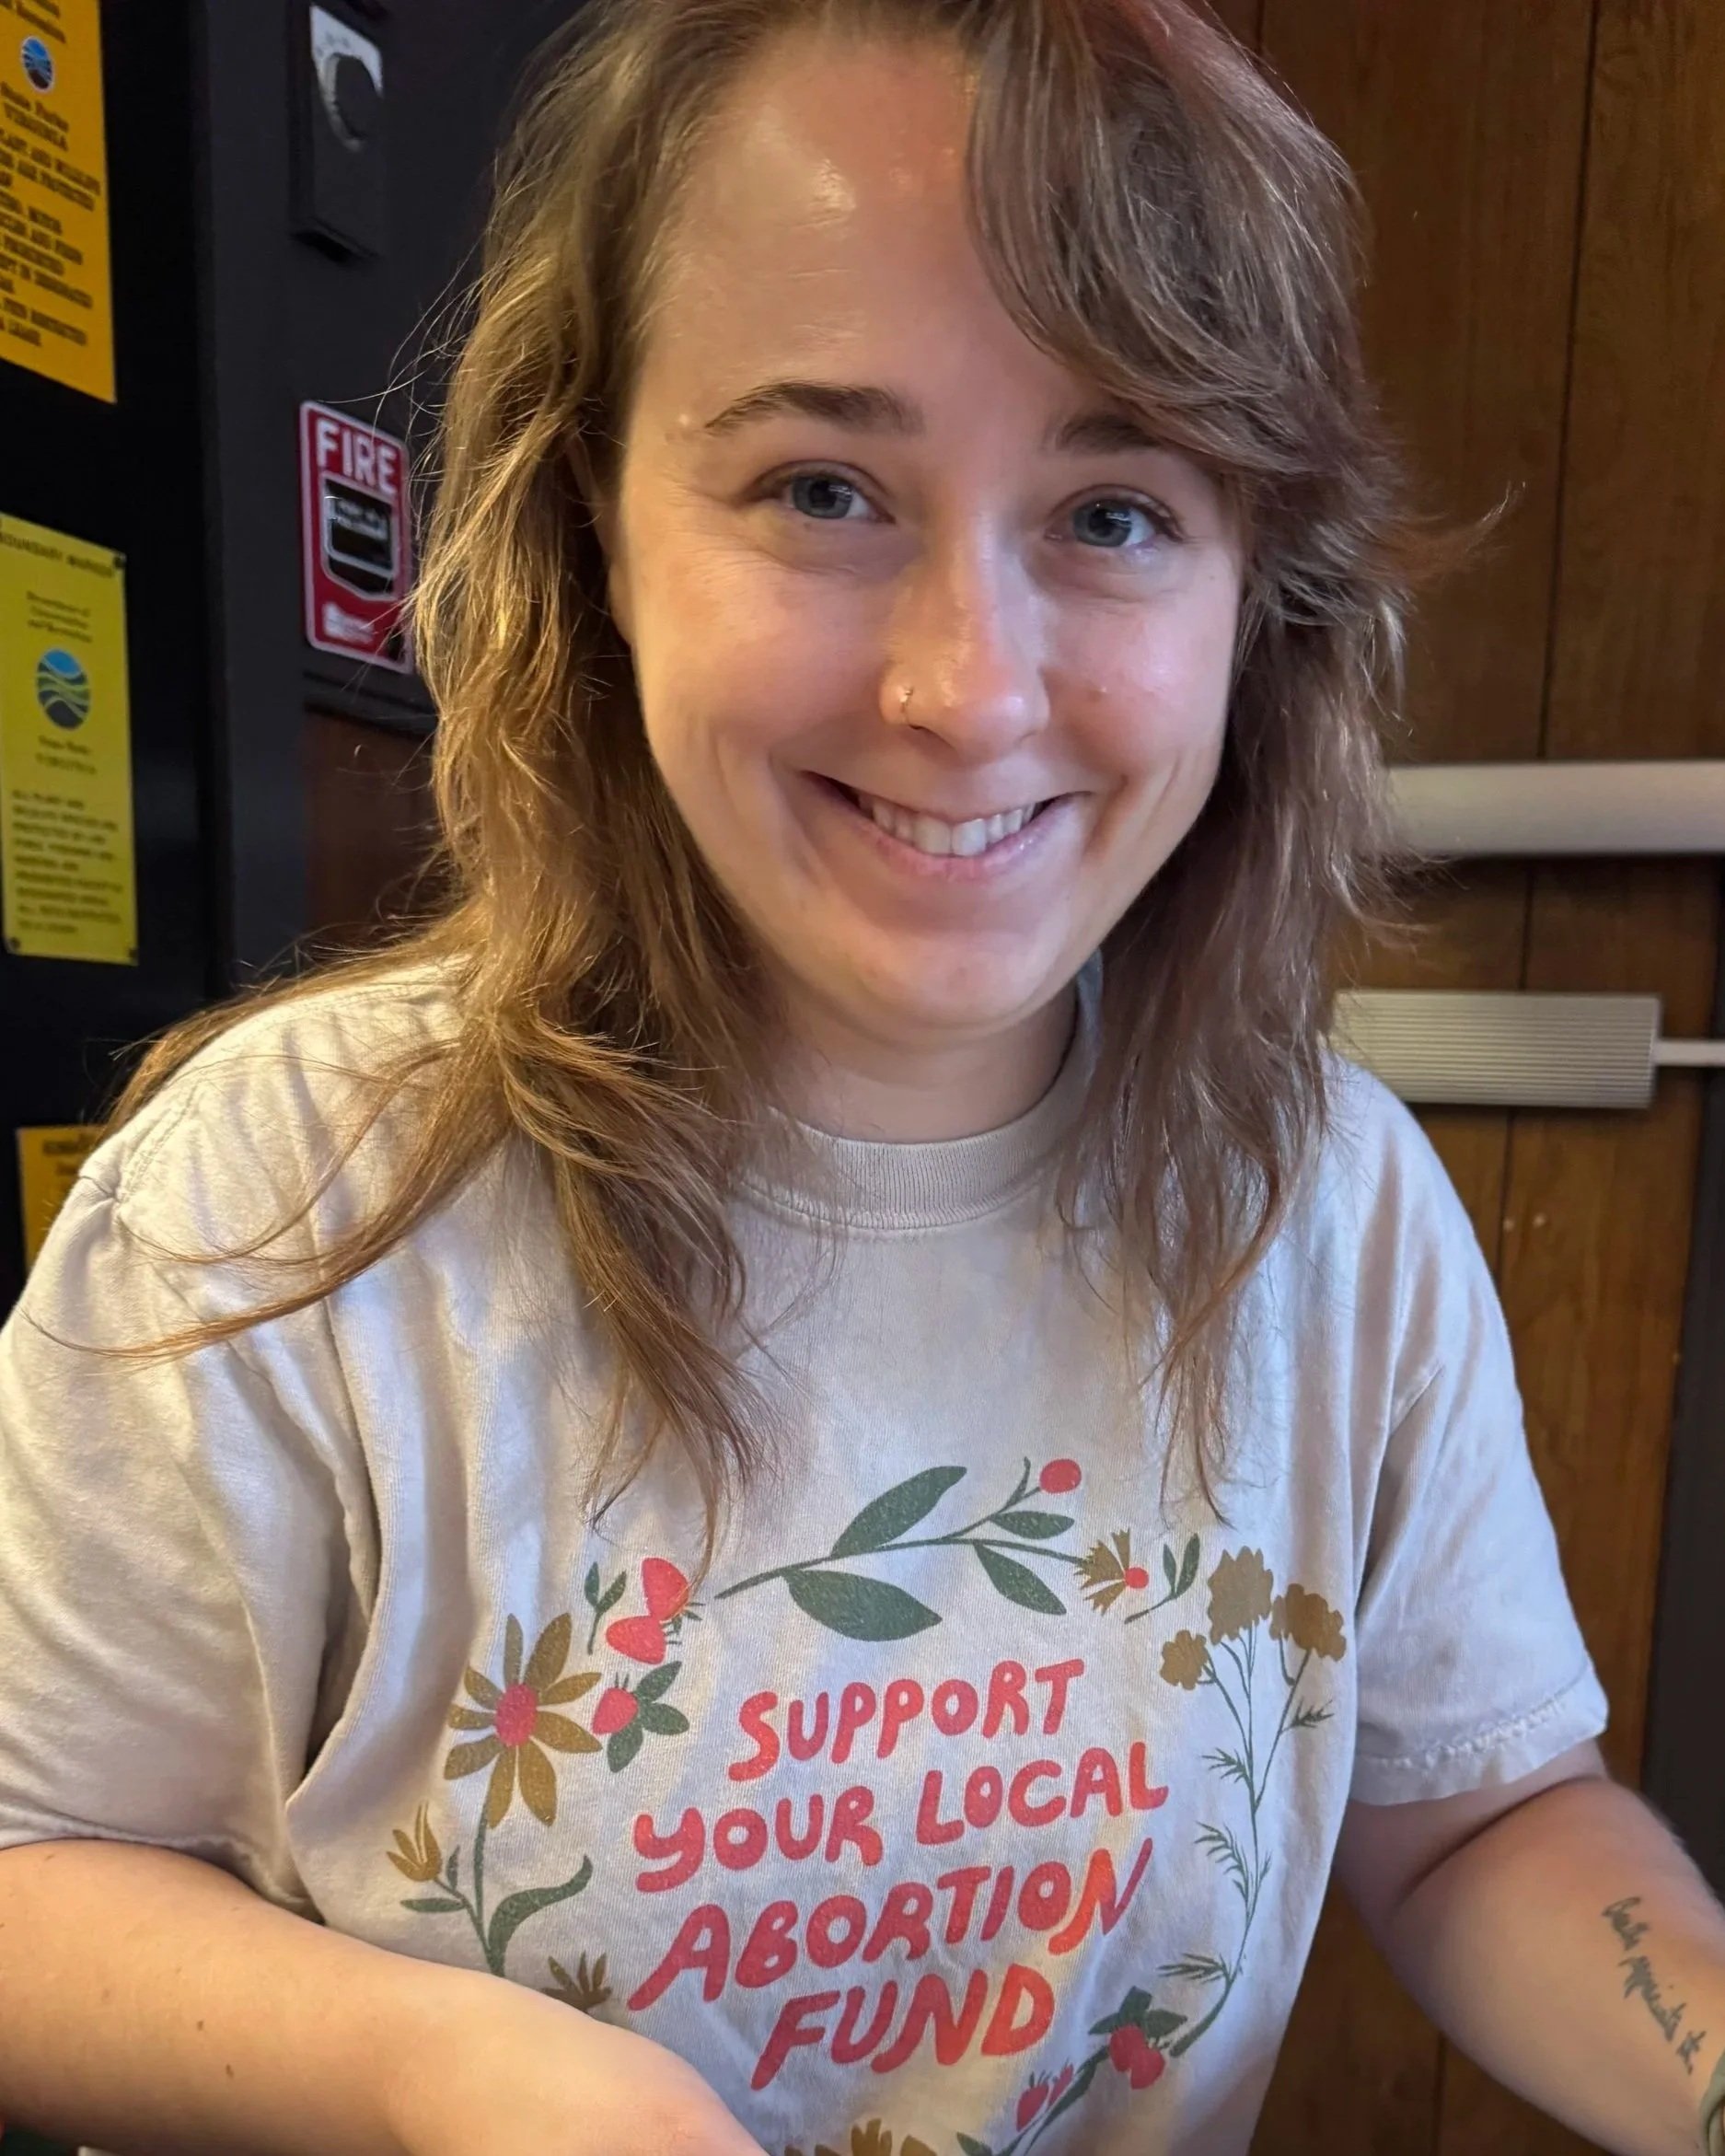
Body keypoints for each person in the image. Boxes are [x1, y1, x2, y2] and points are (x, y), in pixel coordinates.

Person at [1, 1, 1722, 2151]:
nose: (964, 689)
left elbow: (1482, 1822)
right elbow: (32, 1876)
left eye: (1112, 512)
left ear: (1247, 600)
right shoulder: (270, 1200)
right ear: (588, 531)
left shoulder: (1330, 1204)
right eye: (822, 487)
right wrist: (451, 2068)